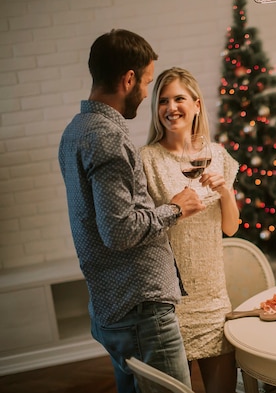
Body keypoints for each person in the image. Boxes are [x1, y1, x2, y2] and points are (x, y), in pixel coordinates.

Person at [58, 30, 205, 393]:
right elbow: (119, 230)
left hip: (116, 305)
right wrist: (175, 208)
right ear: (128, 78)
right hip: (140, 310)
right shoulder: (107, 134)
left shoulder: (75, 130)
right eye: (146, 82)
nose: (145, 92)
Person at [140, 67, 240, 393]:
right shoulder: (147, 159)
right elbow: (143, 224)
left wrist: (224, 191)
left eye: (179, 98)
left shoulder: (219, 156)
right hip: (170, 300)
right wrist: (174, 207)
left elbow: (230, 228)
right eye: (163, 101)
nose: (171, 108)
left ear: (196, 104)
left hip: (213, 297)